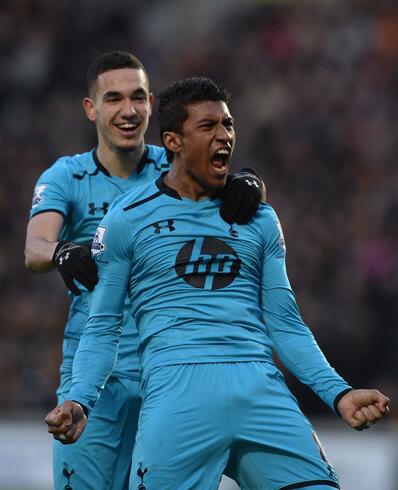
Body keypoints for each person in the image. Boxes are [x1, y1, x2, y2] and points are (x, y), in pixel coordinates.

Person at [45, 77, 389, 490]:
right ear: (173, 141)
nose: (224, 135)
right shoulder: (126, 219)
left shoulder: (258, 217)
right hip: (177, 397)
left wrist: (339, 393)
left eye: (228, 124)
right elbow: (103, 326)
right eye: (208, 126)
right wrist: (81, 398)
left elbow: (286, 324)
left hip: (261, 392)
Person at [25, 53, 264, 490]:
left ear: (152, 104)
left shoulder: (177, 162)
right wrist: (61, 251)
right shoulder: (67, 176)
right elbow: (35, 247)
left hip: (170, 375)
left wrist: (250, 181)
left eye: (137, 97)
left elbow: (226, 178)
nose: (128, 110)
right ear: (91, 108)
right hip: (94, 380)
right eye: (113, 98)